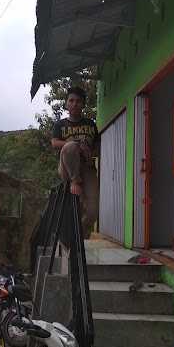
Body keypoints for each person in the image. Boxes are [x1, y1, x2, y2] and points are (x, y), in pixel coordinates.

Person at [51, 86, 99, 237]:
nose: (74, 104)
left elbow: (98, 146)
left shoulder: (90, 124)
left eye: (78, 101)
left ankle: (82, 237)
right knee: (70, 146)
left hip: (88, 169)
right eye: (71, 100)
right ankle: (74, 181)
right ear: (66, 104)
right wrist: (76, 145)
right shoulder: (60, 125)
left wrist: (89, 152)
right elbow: (54, 143)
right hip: (68, 168)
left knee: (93, 211)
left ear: (83, 104)